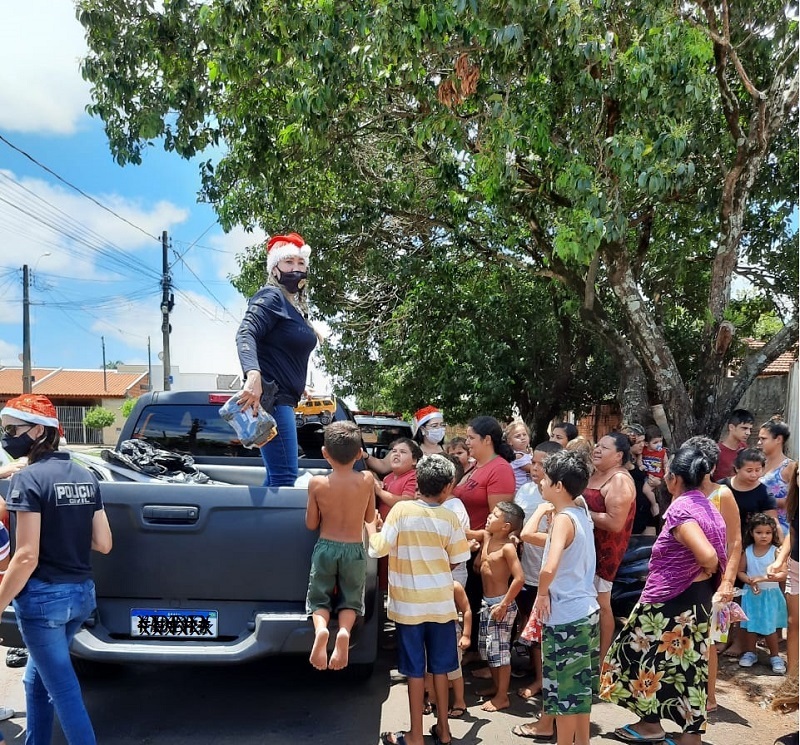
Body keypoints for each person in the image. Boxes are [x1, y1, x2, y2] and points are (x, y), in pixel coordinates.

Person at [0, 394, 113, 745]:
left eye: (12, 428)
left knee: (63, 689)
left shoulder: (28, 480)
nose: (7, 436)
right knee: (37, 678)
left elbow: (26, 556)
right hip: (80, 596)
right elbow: (104, 543)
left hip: (44, 602)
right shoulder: (85, 475)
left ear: (38, 431)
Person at [600, 442, 727, 745]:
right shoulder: (707, 504)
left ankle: (650, 725)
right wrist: (706, 572)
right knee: (686, 668)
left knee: (633, 657)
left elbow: (708, 555)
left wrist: (706, 567)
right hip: (695, 599)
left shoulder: (682, 508)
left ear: (674, 478)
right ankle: (687, 735)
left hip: (670, 601)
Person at [370, 454, 471, 745]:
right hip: (441, 604)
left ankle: (415, 735)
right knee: (441, 668)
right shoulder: (450, 517)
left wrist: (371, 528)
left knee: (415, 671)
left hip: (409, 608)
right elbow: (457, 560)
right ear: (448, 486)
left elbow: (379, 549)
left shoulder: (401, 511)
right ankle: (445, 729)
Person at [513, 449, 598, 745]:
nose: (540, 482)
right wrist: (542, 510)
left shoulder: (564, 519)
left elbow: (548, 567)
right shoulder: (580, 512)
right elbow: (531, 536)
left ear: (559, 485)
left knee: (563, 694)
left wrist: (542, 594)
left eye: (546, 478)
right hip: (584, 611)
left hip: (566, 617)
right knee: (579, 691)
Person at [236, 233, 318, 487]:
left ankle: (257, 528)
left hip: (285, 399)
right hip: (274, 401)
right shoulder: (271, 297)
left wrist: (297, 383)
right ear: (275, 269)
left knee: (276, 477)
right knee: (284, 479)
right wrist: (253, 374)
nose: (296, 268)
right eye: (289, 262)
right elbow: (246, 332)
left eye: (301, 263)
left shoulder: (291, 307)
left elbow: (280, 350)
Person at [305, 421, 375, 671]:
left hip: (326, 546)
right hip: (354, 549)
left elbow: (311, 524)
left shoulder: (316, 484)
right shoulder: (367, 480)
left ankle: (322, 630)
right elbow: (369, 517)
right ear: (359, 454)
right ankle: (344, 632)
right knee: (351, 600)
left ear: (325, 453)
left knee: (319, 599)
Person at [683, 435, 742, 711]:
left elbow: (735, 541)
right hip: (684, 579)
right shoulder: (683, 492)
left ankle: (709, 697)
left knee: (709, 640)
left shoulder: (722, 494)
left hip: (713, 580)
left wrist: (728, 581)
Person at [453, 416, 515, 653]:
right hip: (467, 546)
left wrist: (484, 551)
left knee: (483, 603)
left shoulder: (500, 469)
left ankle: (491, 661)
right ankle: (475, 654)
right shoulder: (474, 465)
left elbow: (497, 521)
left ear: (487, 439)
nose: (467, 442)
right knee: (470, 600)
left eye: (471, 438)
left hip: (482, 548)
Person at [514, 439, 561, 700]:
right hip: (527, 571)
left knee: (547, 631)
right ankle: (538, 675)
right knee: (532, 627)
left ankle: (546, 681)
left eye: (540, 465)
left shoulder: (561, 499)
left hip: (550, 578)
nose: (533, 468)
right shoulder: (525, 492)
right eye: (532, 462)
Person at [584, 432, 636, 664]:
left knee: (602, 603)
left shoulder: (620, 480)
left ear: (618, 456)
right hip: (586, 549)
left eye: (604, 448)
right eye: (597, 445)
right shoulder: (595, 474)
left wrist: (582, 511)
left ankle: (602, 661)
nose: (597, 449)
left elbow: (615, 522)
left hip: (605, 552)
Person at [473, 501, 525, 712]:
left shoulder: (508, 548)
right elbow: (466, 532)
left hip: (500, 605)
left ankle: (503, 696)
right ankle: (496, 688)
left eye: (495, 516)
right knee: (490, 650)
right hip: (487, 603)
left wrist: (504, 604)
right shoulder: (487, 537)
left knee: (501, 654)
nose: (489, 517)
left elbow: (519, 578)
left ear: (506, 526)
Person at [737, 512, 788, 673]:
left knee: (769, 627)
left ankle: (775, 656)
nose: (764, 536)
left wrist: (764, 578)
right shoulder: (748, 551)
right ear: (751, 533)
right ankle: (750, 653)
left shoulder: (776, 552)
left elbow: (783, 574)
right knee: (750, 626)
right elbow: (740, 571)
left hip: (770, 596)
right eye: (759, 532)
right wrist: (750, 581)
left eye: (768, 533)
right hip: (751, 595)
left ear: (773, 533)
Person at [768, 462, 798, 677]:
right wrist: (780, 561)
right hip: (796, 566)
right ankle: (792, 676)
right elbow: (793, 534)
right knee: (793, 621)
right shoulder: (796, 503)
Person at [365, 406, 445, 477]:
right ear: (422, 429)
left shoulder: (448, 449)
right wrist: (365, 456)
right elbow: (383, 466)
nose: (440, 429)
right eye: (434, 426)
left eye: (442, 425)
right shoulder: (410, 446)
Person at [722, 447, 779, 542]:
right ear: (737, 468)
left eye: (758, 470)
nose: (754, 475)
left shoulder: (765, 493)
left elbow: (773, 522)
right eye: (749, 471)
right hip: (724, 539)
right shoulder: (722, 486)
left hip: (751, 544)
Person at [759, 420, 794, 537]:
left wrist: (767, 501)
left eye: (763, 439)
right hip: (758, 532)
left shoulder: (790, 467)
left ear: (778, 439)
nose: (759, 442)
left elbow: (795, 501)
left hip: (782, 532)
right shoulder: (757, 465)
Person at [623, 424, 659, 536]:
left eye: (643, 441)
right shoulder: (623, 463)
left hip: (647, 513)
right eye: (638, 442)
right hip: (632, 515)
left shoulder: (646, 457)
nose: (642, 445)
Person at [713, 408, 754, 482]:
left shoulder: (744, 448)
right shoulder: (716, 451)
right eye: (744, 428)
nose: (748, 433)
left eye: (750, 429)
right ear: (731, 427)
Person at [504, 420, 533, 493]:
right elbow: (531, 468)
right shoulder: (517, 456)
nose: (522, 438)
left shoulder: (528, 453)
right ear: (510, 441)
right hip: (519, 491)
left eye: (524, 434)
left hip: (528, 490)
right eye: (518, 436)